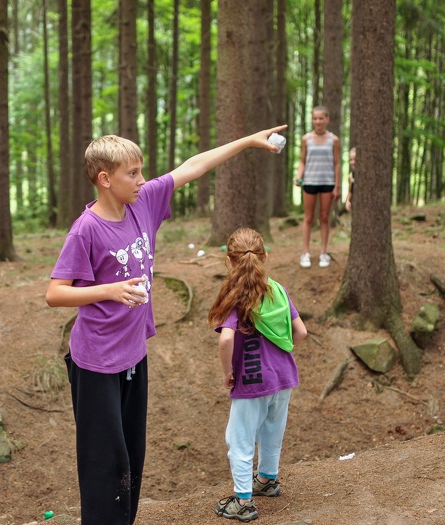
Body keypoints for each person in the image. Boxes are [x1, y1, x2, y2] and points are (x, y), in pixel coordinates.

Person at [46, 126, 286, 525]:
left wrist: (247, 141)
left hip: (133, 355)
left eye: (142, 171)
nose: (142, 179)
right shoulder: (86, 229)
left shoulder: (143, 202)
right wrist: (109, 290)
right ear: (105, 179)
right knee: (105, 461)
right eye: (133, 173)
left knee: (132, 455)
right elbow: (55, 293)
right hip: (95, 363)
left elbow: (193, 167)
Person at [207, 227, 307, 522]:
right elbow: (301, 332)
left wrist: (228, 372)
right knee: (272, 430)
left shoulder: (234, 297)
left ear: (230, 260)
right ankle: (267, 480)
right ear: (265, 256)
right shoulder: (277, 290)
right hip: (283, 377)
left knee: (239, 439)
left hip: (252, 381)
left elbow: (226, 339)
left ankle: (243, 501)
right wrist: (278, 356)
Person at [294, 106, 341, 268]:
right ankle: (305, 252)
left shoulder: (334, 140)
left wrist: (337, 186)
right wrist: (298, 176)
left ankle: (323, 252)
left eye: (321, 118)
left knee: (324, 217)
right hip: (310, 181)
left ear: (327, 119)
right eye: (315, 118)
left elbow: (337, 164)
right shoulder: (306, 139)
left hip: (328, 182)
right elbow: (302, 161)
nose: (318, 121)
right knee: (308, 217)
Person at [344, 146, 356, 214]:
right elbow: (350, 190)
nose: (353, 162)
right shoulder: (351, 176)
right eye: (351, 160)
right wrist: (348, 201)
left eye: (355, 159)